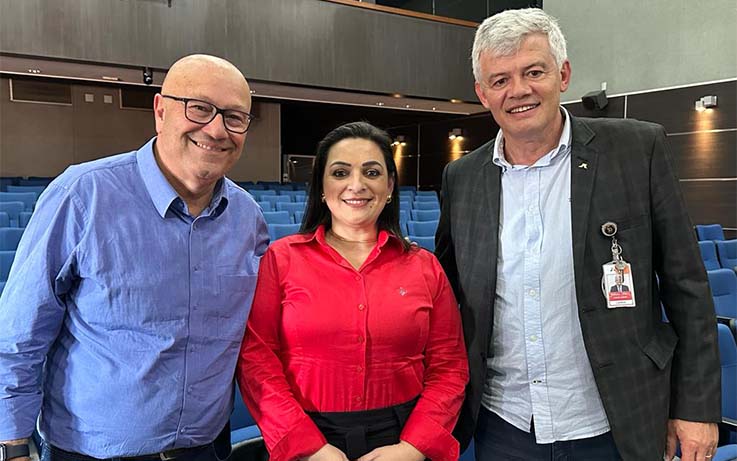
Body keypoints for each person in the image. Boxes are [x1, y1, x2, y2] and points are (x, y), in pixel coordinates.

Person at [435, 8, 721, 461]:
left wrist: (695, 408)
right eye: (500, 80)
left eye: (534, 72)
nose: (518, 90)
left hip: (617, 422)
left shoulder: (636, 150)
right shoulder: (462, 178)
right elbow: (447, 297)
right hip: (505, 426)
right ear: (482, 93)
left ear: (563, 74)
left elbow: (687, 286)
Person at [0, 54, 269, 461]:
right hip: (91, 453)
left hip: (206, 448)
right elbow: (20, 334)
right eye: (199, 108)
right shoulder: (83, 194)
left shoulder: (247, 218)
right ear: (160, 110)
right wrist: (13, 444)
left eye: (234, 117)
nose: (216, 130)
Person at [237, 121, 469, 461]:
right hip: (308, 436)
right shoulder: (281, 259)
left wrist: (414, 446)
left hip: (402, 438)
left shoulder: (425, 267)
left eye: (372, 172)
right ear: (321, 187)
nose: (356, 185)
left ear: (390, 186)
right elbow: (257, 360)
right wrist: (306, 445)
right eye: (340, 173)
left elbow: (449, 365)